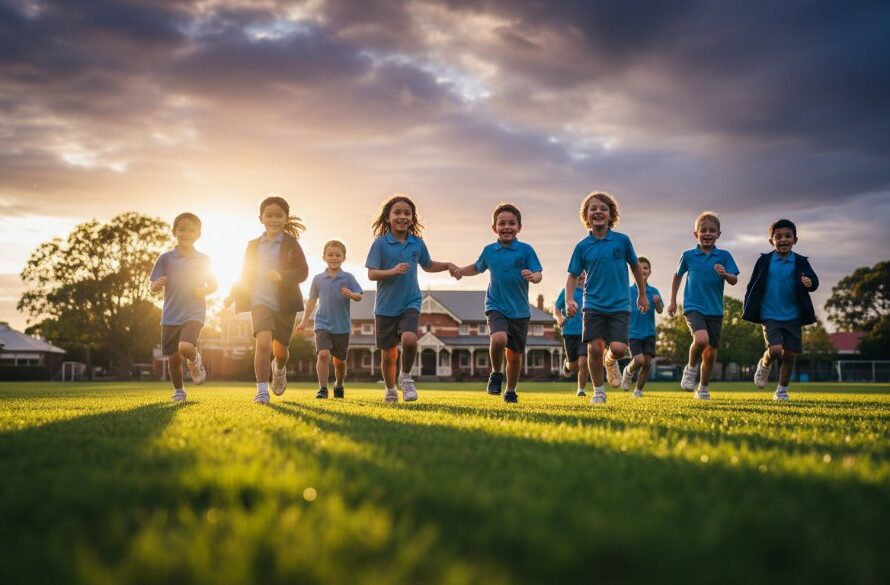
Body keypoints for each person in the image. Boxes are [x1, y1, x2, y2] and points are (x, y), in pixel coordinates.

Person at [365, 194, 461, 403]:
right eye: (397, 212)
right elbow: (371, 274)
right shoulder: (380, 244)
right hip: (385, 306)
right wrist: (392, 271)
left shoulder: (417, 243)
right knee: (388, 354)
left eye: (407, 213)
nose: (402, 217)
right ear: (388, 217)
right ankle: (390, 389)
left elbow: (427, 264)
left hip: (410, 301)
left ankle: (406, 377)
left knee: (409, 340)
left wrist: (446, 265)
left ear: (413, 218)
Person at [565, 191, 649, 405]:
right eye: (593, 209)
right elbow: (573, 275)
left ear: (611, 214)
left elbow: (635, 267)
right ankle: (598, 391)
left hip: (620, 305)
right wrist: (569, 300)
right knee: (594, 348)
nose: (598, 212)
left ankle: (610, 361)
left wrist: (641, 294)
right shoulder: (582, 246)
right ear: (586, 215)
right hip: (592, 304)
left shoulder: (622, 241)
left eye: (603, 208)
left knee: (619, 350)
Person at [456, 203, 542, 403]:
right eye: (502, 223)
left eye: (512, 223)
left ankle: (510, 391)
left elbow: (538, 274)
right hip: (496, 307)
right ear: (494, 228)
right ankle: (496, 373)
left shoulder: (526, 250)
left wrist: (533, 277)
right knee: (499, 339)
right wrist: (461, 271)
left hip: (520, 310)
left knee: (514, 355)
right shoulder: (489, 251)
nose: (507, 227)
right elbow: (477, 267)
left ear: (519, 227)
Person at [226, 196, 308, 404]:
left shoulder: (292, 244)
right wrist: (232, 294)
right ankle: (262, 391)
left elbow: (303, 272)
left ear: (286, 218)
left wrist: (283, 276)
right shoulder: (253, 246)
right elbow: (245, 274)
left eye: (279, 215)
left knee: (280, 351)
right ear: (261, 218)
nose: (274, 219)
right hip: (259, 301)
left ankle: (279, 368)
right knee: (262, 344)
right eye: (269, 215)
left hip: (284, 304)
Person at [743, 219, 819, 401]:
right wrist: (749, 307)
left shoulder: (800, 261)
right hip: (769, 314)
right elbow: (752, 285)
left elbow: (813, 280)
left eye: (787, 236)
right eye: (778, 237)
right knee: (776, 350)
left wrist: (810, 283)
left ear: (795, 239)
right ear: (771, 241)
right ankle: (765, 362)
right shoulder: (764, 260)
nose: (783, 240)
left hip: (793, 315)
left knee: (790, 354)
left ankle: (781, 391)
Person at [667, 211, 739, 400]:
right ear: (696, 234)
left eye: (712, 231)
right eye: (703, 230)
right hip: (693, 307)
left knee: (710, 353)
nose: (707, 234)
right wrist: (673, 300)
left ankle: (703, 389)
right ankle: (690, 368)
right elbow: (677, 275)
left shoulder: (724, 256)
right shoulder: (688, 255)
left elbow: (734, 280)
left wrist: (725, 274)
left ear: (718, 234)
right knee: (701, 340)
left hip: (715, 309)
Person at [150, 212, 216, 402]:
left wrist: (202, 290)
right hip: (170, 315)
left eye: (191, 230)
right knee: (173, 358)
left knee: (185, 346)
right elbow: (153, 285)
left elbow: (213, 285)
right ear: (174, 232)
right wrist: (156, 285)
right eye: (182, 229)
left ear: (198, 234)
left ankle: (195, 361)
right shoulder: (166, 259)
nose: (186, 233)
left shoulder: (203, 259)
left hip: (194, 313)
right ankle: (179, 391)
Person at [296, 240, 363, 399]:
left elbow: (359, 296)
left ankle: (339, 385)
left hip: (342, 326)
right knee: (323, 355)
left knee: (339, 362)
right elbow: (311, 301)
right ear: (324, 257)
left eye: (338, 255)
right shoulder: (318, 279)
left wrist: (352, 295)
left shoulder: (348, 278)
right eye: (330, 255)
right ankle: (323, 389)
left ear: (344, 258)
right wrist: (304, 321)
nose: (334, 258)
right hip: (322, 324)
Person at [620, 257, 663, 398]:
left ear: (650, 272)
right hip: (632, 333)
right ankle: (628, 371)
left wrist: (657, 303)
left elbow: (660, 310)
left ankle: (638, 391)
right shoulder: (627, 291)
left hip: (649, 332)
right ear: (634, 271)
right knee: (638, 360)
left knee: (647, 364)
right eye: (639, 267)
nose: (642, 270)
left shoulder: (654, 291)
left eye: (645, 268)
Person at [554, 271, 589, 396]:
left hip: (586, 332)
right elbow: (557, 308)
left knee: (584, 361)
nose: (581, 278)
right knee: (574, 365)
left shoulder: (590, 292)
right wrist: (559, 318)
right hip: (569, 331)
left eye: (584, 276)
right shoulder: (566, 292)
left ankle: (581, 390)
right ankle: (567, 365)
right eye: (579, 276)